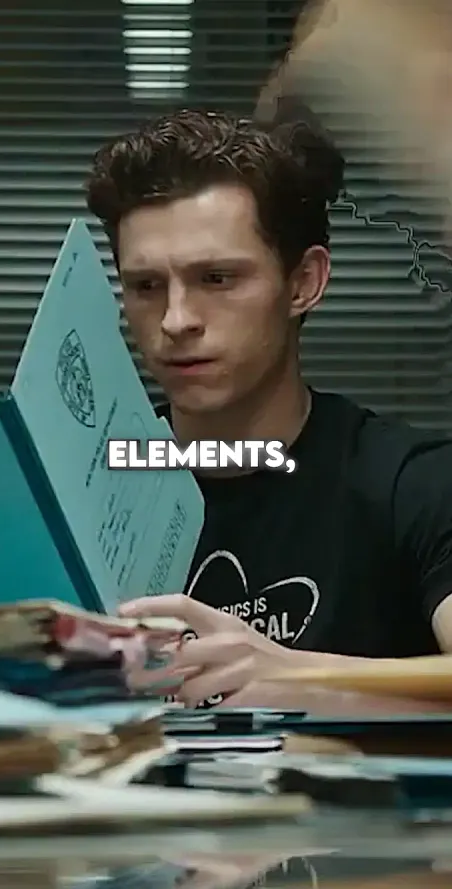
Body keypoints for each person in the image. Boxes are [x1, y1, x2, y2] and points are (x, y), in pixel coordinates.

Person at [85, 104, 452, 709]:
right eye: (146, 286)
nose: (176, 320)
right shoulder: (82, 490)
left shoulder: (414, 486)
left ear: (303, 282)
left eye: (217, 279)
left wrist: (298, 677)